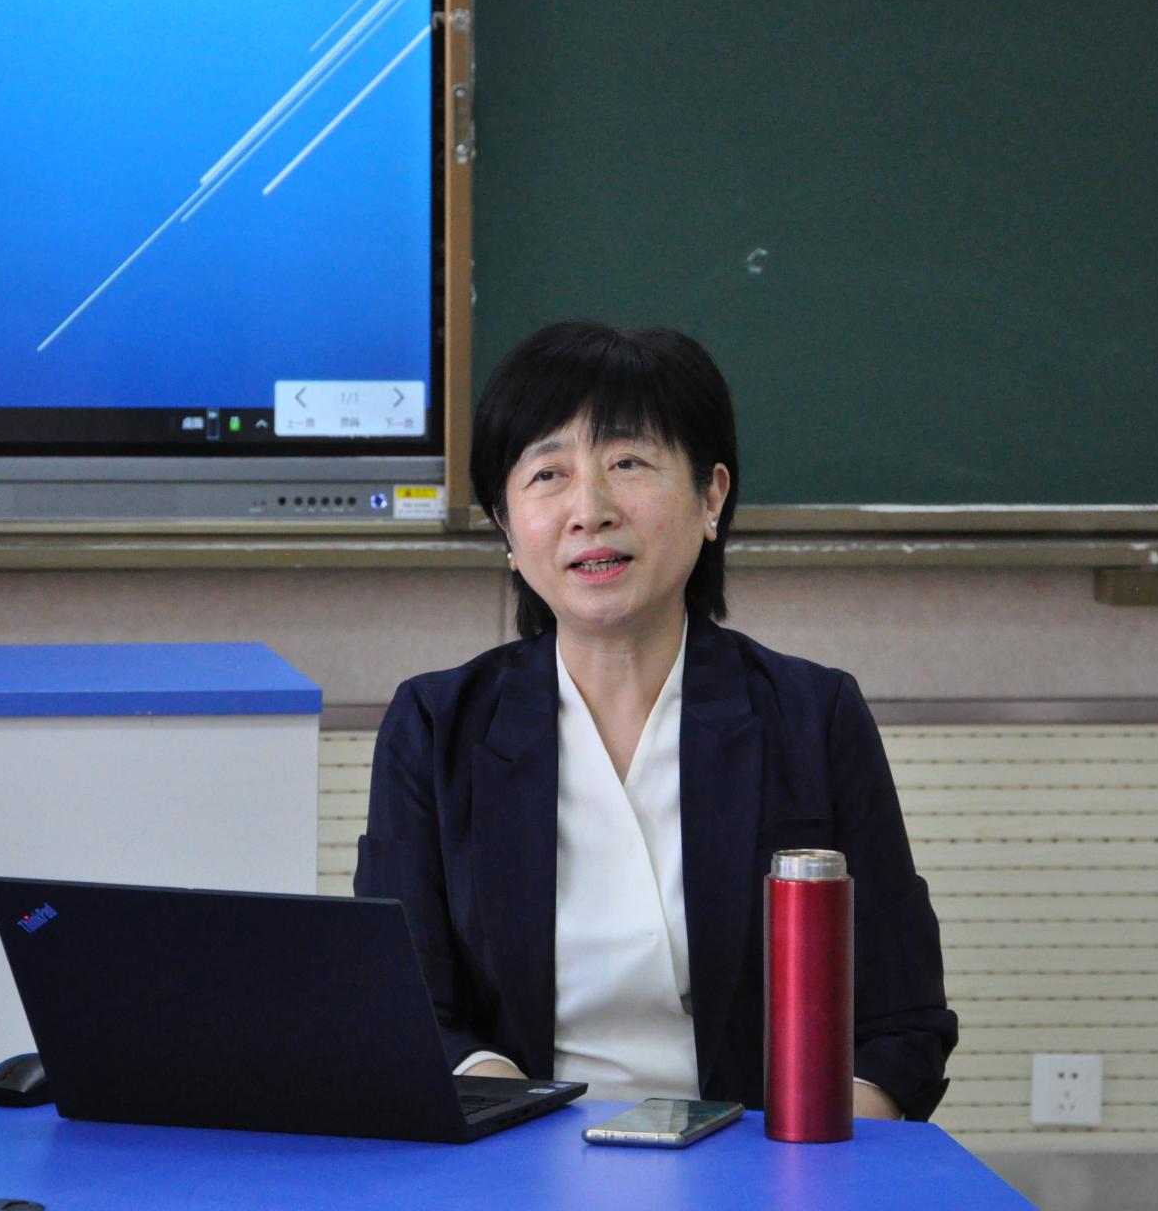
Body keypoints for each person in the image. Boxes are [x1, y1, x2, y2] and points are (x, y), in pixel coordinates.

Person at [354, 321, 956, 1121]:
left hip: (760, 1159)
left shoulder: (813, 716)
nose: (590, 510)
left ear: (711, 497)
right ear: (506, 526)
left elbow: (901, 1026)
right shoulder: (436, 727)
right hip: (517, 1153)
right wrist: (518, 1126)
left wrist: (796, 1157)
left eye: (628, 463)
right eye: (548, 474)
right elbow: (408, 1009)